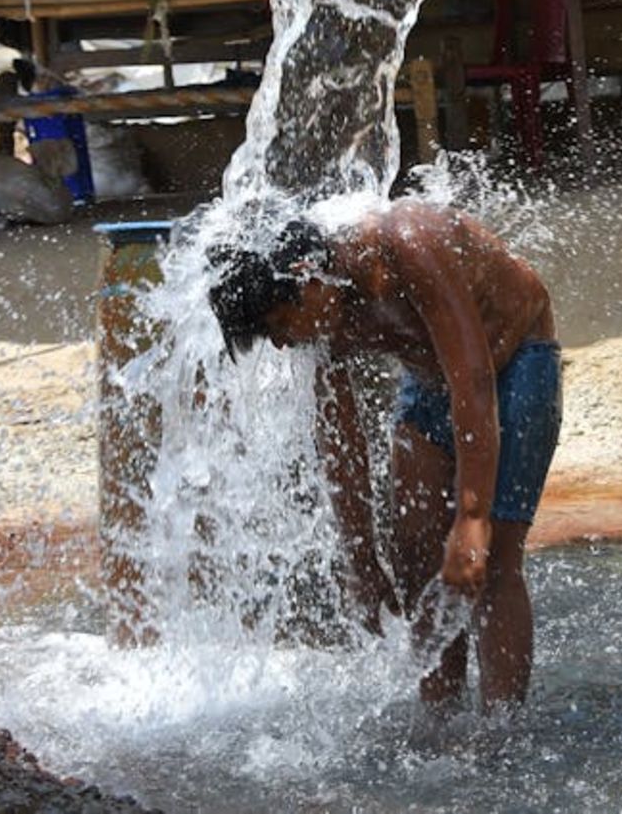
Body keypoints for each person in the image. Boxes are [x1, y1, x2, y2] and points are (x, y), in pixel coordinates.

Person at [209, 202, 561, 709]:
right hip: (431, 383)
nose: (283, 345)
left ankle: (499, 738)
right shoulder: (323, 310)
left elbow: (474, 380)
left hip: (513, 366)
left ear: (307, 277)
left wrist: (472, 517)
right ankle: (438, 723)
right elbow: (339, 437)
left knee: (492, 560)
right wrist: (362, 559)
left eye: (280, 324)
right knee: (415, 552)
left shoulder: (411, 243)